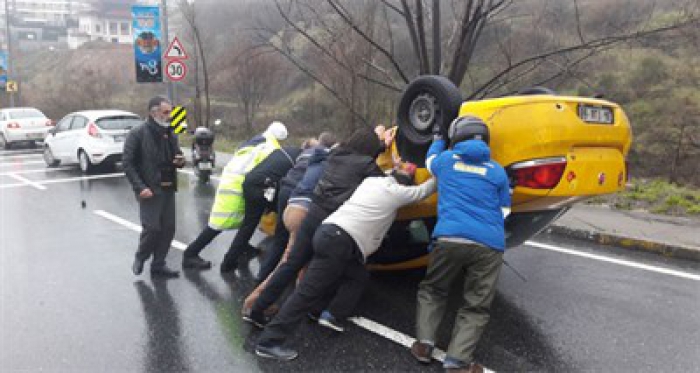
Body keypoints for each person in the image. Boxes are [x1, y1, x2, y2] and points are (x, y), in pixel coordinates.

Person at [254, 164, 436, 361]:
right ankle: (269, 341)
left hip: (331, 234)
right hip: (340, 241)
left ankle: (329, 314)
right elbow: (422, 192)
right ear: (404, 185)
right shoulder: (396, 193)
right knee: (306, 292)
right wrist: (442, 171)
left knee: (358, 276)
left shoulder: (371, 182)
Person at [244, 126, 391, 327]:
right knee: (314, 277)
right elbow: (385, 186)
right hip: (328, 222)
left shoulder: (336, 153)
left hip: (311, 213)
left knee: (290, 265)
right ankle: (284, 329)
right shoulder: (366, 165)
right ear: (369, 150)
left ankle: (257, 310)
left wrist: (380, 143)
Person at [411, 116, 511, 373]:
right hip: (489, 245)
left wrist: (437, 138)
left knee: (434, 290)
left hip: (449, 237)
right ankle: (457, 362)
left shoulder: (445, 162)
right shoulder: (497, 170)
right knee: (476, 305)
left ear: (457, 137)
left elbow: (430, 160)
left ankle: (424, 345)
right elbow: (504, 210)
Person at [243, 132, 336, 314]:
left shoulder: (308, 154)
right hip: (302, 203)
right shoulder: (329, 158)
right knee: (291, 258)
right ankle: (257, 303)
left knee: (282, 242)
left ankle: (263, 277)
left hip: (288, 196)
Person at [181, 122, 287, 269]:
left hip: (234, 181)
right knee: (218, 224)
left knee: (245, 220)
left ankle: (243, 247)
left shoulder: (257, 140)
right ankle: (190, 254)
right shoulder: (272, 148)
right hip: (238, 186)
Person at [256, 132, 338, 282]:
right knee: (299, 246)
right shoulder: (329, 160)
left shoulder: (305, 153)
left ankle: (262, 277)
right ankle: (286, 281)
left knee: (280, 239)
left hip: (285, 190)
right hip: (300, 196)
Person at [217, 142, 305, 273]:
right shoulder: (300, 159)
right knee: (258, 225)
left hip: (251, 181)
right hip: (261, 187)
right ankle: (231, 263)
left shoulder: (285, 150)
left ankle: (230, 260)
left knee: (248, 225)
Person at [123, 96, 186, 278]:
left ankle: (158, 264)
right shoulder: (138, 133)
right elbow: (128, 164)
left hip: (168, 187)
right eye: (166, 112)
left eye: (170, 112)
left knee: (168, 228)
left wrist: (180, 161)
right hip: (148, 189)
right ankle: (141, 256)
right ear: (154, 113)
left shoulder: (171, 132)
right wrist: (140, 187)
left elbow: (178, 156)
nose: (170, 116)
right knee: (152, 228)